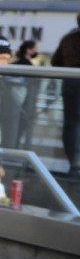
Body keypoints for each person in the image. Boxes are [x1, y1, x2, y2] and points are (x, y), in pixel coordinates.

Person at [52, 13, 80, 179]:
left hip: (69, 84)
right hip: (73, 83)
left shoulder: (68, 38)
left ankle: (74, 162)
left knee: (71, 123)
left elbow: (55, 62)